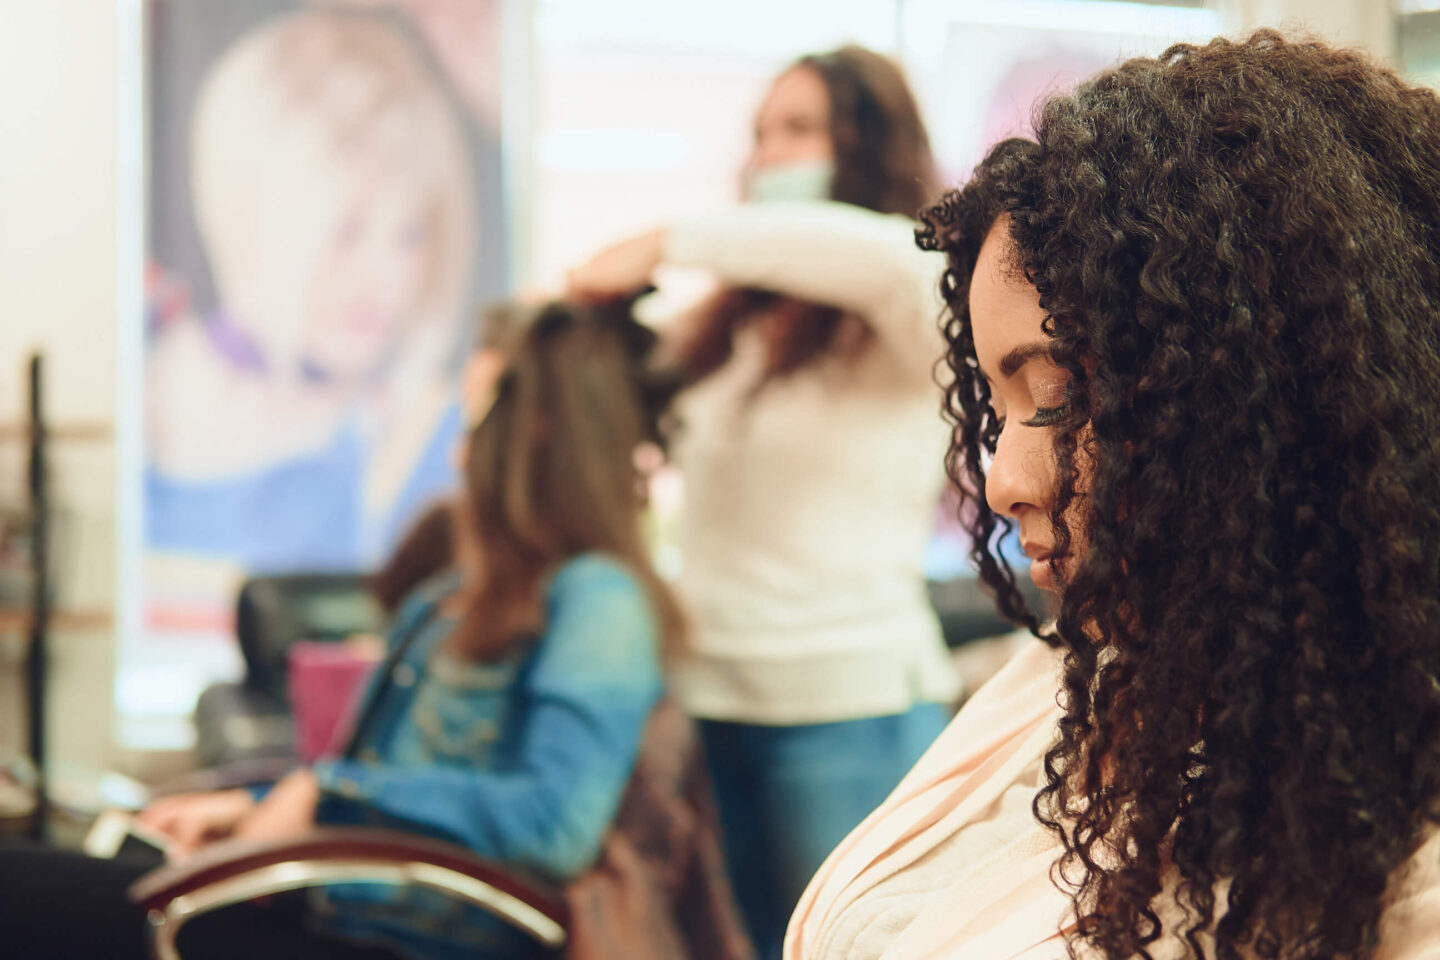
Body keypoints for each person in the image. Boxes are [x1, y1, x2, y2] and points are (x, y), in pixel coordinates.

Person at [787, 32, 1440, 960]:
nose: (1005, 482)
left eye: (1056, 399)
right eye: (995, 406)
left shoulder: (1391, 877)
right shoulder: (1077, 677)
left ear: (1263, 391)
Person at [2, 299, 683, 960]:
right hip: (331, 903)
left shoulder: (599, 602)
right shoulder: (454, 595)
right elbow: (373, 783)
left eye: (475, 423)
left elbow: (554, 827)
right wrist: (251, 809)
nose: (459, 454)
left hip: (397, 937)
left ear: (536, 431)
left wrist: (325, 797)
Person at [569, 45, 958, 960]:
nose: (768, 154)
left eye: (798, 129)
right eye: (758, 134)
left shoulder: (917, 303)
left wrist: (669, 239)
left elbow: (884, 253)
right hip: (713, 705)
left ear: (868, 146)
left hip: (847, 713)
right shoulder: (728, 332)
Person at [146, 9, 477, 571]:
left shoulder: (423, 441)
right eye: (346, 233)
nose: (384, 277)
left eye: (409, 234)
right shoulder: (142, 373)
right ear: (251, 211)